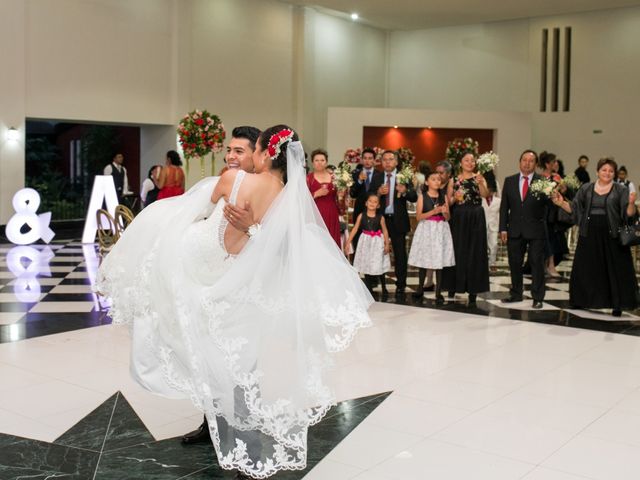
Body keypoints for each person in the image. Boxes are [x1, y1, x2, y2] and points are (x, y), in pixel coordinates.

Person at [97, 125, 372, 479]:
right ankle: (222, 428)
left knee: (187, 323)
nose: (238, 156)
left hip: (209, 269)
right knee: (229, 357)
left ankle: (240, 439)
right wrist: (254, 229)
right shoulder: (290, 196)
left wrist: (239, 228)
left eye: (247, 150)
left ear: (263, 153)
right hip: (234, 275)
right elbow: (286, 245)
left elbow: (191, 210)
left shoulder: (233, 180)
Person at [180, 125, 261, 447]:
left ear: (257, 154)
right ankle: (209, 422)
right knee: (206, 352)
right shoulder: (222, 182)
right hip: (209, 279)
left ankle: (244, 439)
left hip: (244, 283)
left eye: (239, 151)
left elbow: (275, 238)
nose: (230, 156)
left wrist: (251, 228)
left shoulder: (269, 188)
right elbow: (196, 215)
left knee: (242, 361)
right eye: (229, 149)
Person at [553, 157, 638, 316]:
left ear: (614, 173)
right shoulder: (586, 188)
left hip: (612, 234)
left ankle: (617, 304)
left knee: (614, 269)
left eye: (611, 171)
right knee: (586, 268)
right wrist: (561, 203)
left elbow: (628, 215)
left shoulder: (621, 190)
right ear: (597, 171)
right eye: (604, 170)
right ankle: (581, 300)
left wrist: (632, 203)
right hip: (589, 233)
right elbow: (575, 209)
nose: (607, 173)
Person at [499, 150, 549, 309]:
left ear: (536, 164)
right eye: (524, 160)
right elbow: (504, 207)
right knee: (514, 263)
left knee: (536, 263)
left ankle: (538, 297)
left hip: (536, 229)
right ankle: (515, 294)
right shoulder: (510, 181)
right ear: (519, 162)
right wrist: (503, 228)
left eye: (531, 161)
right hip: (514, 229)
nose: (527, 163)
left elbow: (548, 205)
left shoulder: (543, 182)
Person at [443, 152, 490, 307]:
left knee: (475, 252)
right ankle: (452, 286)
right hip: (459, 217)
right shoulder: (454, 180)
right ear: (461, 163)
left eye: (472, 160)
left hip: (476, 216)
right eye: (466, 160)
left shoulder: (479, 178)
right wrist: (454, 198)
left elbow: (485, 195)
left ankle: (473, 291)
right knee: (457, 250)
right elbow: (448, 203)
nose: (470, 163)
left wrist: (481, 183)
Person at [409, 171, 454, 304]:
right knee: (425, 258)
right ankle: (420, 289)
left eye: (439, 180)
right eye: (433, 179)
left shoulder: (443, 196)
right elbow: (418, 217)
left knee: (439, 260)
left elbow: (448, 217)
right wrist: (433, 211)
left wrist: (445, 213)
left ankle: (438, 291)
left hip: (440, 229)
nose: (437, 182)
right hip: (427, 229)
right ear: (427, 182)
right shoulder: (422, 197)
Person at [377, 150, 418, 299]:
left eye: (390, 159)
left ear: (396, 162)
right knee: (378, 251)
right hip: (380, 220)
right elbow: (368, 195)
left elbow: (414, 197)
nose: (388, 162)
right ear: (381, 162)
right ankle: (378, 282)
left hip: (398, 220)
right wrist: (379, 192)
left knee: (400, 254)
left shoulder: (404, 176)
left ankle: (401, 285)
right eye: (385, 160)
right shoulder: (377, 176)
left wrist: (405, 190)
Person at [345, 192, 390, 296]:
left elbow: (385, 231)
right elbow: (355, 228)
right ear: (366, 203)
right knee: (367, 264)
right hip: (365, 242)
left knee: (379, 264)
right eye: (370, 201)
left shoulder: (381, 217)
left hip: (377, 243)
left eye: (375, 202)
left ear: (378, 205)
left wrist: (387, 244)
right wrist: (348, 242)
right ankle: (368, 288)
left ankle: (384, 287)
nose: (372, 203)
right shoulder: (361, 216)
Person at [349, 148, 384, 252]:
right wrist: (359, 181)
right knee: (358, 238)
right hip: (359, 210)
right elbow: (352, 194)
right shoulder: (355, 174)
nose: (367, 161)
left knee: (375, 240)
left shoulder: (380, 175)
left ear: (374, 160)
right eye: (365, 158)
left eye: (370, 158)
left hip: (375, 212)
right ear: (361, 160)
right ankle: (357, 266)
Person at [307, 148, 341, 247]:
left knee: (332, 240)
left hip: (331, 212)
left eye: (322, 160)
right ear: (312, 163)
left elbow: (340, 199)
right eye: (316, 160)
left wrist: (341, 193)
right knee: (318, 242)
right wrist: (316, 194)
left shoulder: (334, 177)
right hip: (315, 213)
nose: (319, 163)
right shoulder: (309, 178)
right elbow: (301, 199)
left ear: (326, 162)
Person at [481, 169, 501, 270]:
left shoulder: (497, 199)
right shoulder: (481, 183)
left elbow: (499, 196)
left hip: (494, 222)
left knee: (494, 244)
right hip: (482, 221)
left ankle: (492, 262)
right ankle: (484, 263)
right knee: (482, 245)